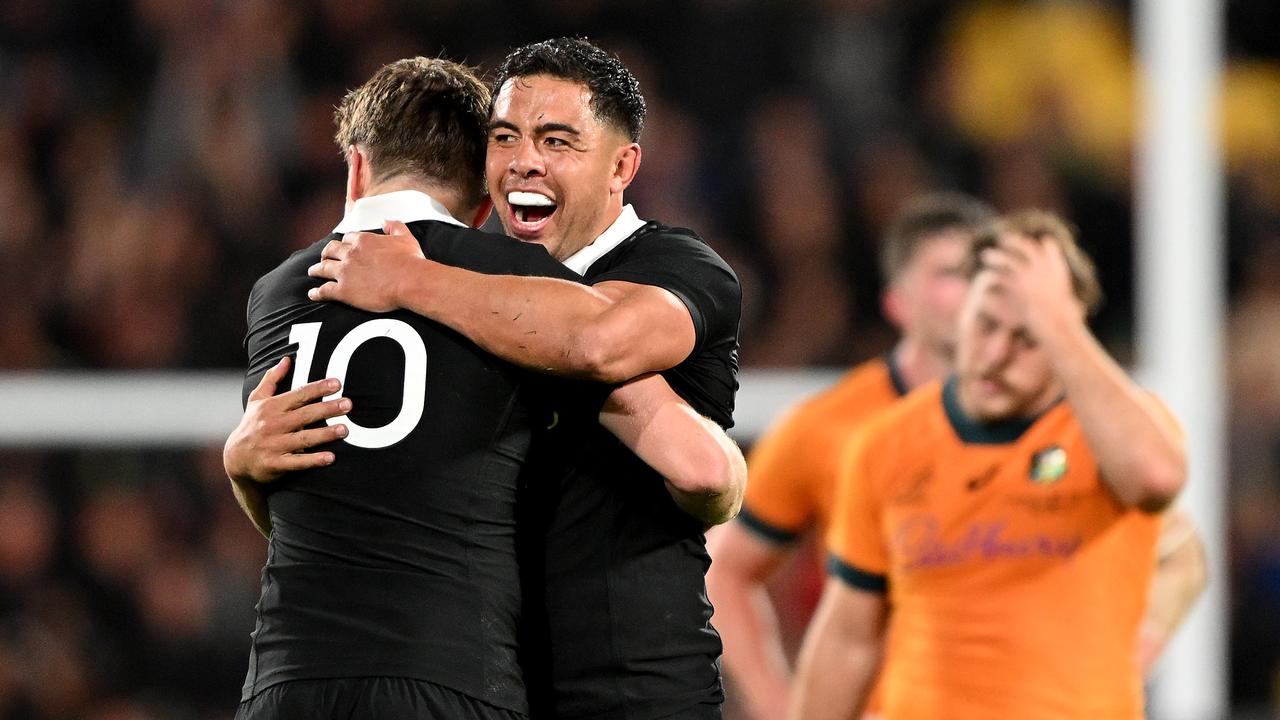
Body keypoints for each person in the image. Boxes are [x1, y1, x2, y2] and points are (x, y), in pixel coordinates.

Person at [231, 38, 743, 720]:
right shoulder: (485, 280)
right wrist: (242, 463)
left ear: (622, 166)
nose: (526, 160)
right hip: (495, 683)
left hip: (633, 695)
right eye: (507, 137)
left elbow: (597, 347)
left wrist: (414, 279)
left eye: (557, 140)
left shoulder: (677, 266)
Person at [706, 197, 1207, 719]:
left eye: (1027, 337)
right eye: (985, 325)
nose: (995, 355)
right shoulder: (875, 438)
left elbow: (1167, 510)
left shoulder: (1107, 432)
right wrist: (778, 706)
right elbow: (846, 633)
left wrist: (1114, 668)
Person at [706, 192, 993, 719]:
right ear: (897, 302)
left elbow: (1166, 554)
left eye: (984, 272)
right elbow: (727, 571)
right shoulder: (830, 425)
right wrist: (777, 706)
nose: (974, 290)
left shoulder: (1049, 418)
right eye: (951, 273)